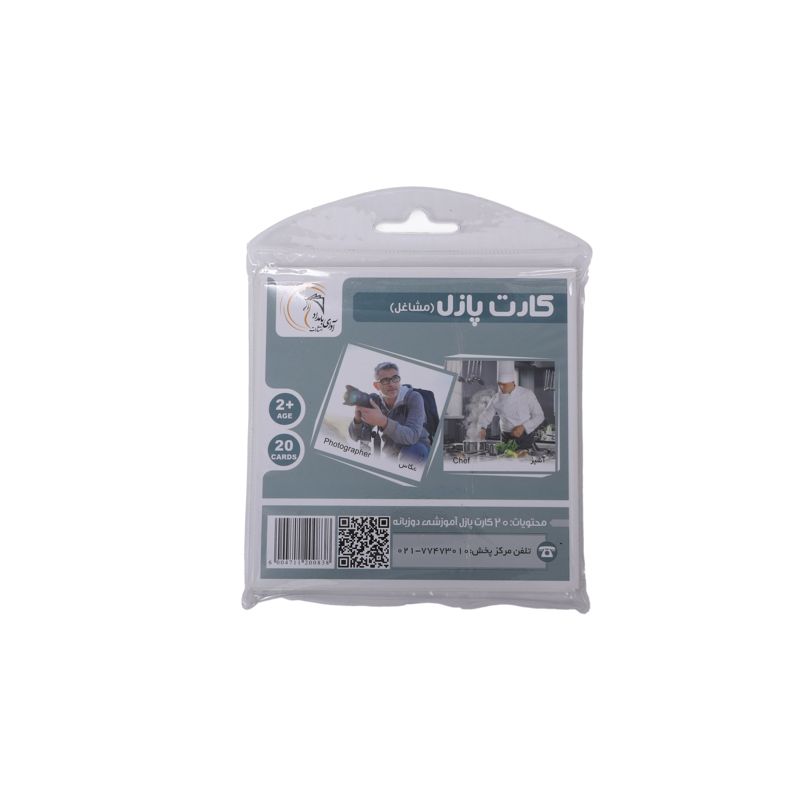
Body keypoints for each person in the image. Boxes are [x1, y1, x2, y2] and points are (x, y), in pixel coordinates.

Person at [348, 361, 431, 463]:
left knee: (412, 452)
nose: (391, 384)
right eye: (385, 380)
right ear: (376, 386)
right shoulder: (375, 402)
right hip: (392, 454)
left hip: (417, 450)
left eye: (395, 378)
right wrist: (357, 420)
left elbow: (412, 437)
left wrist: (383, 422)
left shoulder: (414, 398)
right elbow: (355, 437)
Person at [477, 361, 545, 451]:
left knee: (523, 458)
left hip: (524, 437)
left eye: (504, 384)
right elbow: (486, 414)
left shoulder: (527, 394)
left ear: (513, 382)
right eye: (499, 384)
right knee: (505, 458)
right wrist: (482, 428)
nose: (501, 387)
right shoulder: (496, 398)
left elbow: (539, 416)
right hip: (505, 438)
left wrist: (523, 427)